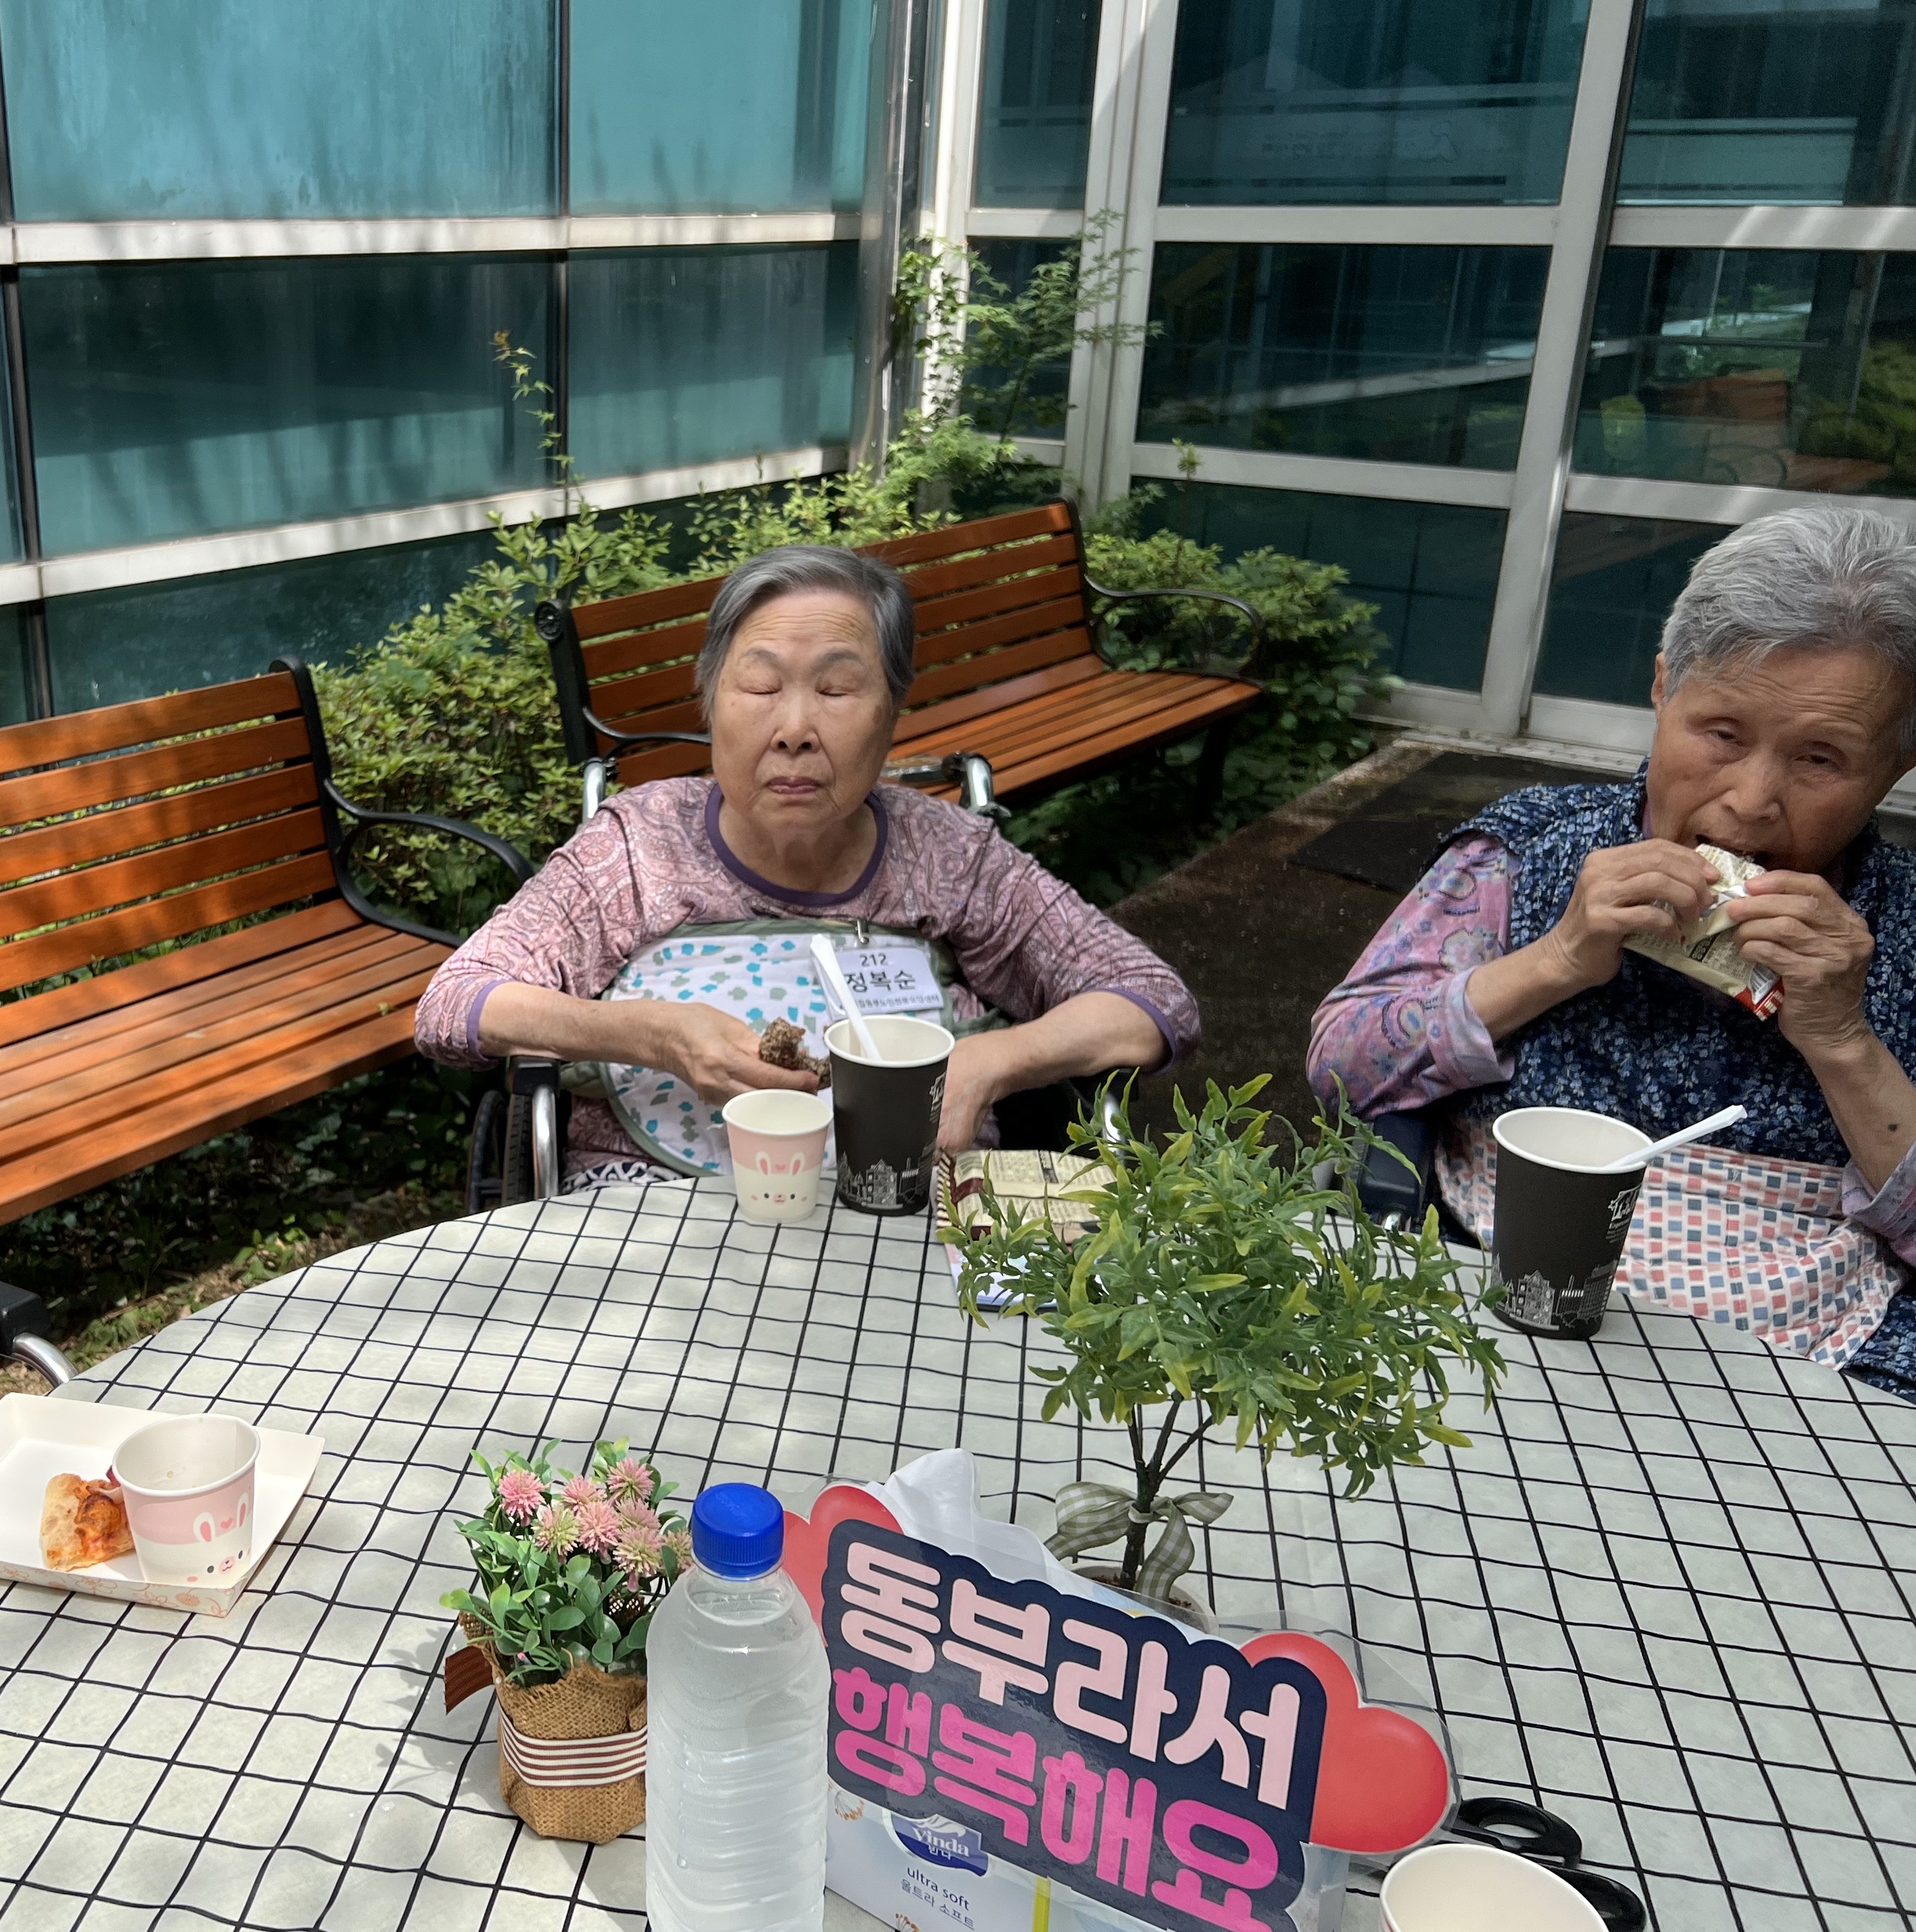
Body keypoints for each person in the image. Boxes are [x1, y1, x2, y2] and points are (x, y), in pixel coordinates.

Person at [1309, 507, 1916, 1396]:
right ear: (1663, 689)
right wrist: (1556, 960)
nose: (1752, 800)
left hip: (1816, 1356)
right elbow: (1342, 1069)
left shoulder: (1903, 923)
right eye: (1722, 734)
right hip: (1495, 1305)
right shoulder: (1523, 853)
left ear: (1896, 768)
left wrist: (1842, 1040)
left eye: (1821, 759)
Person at [417, 543, 1195, 1188]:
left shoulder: (949, 856)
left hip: (908, 1208)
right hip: (653, 1213)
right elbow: (454, 1005)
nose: (794, 728)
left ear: (892, 713)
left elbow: (1152, 1002)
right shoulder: (638, 845)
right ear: (709, 702)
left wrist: (990, 1062)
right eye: (760, 685)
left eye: (838, 688)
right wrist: (647, 1034)